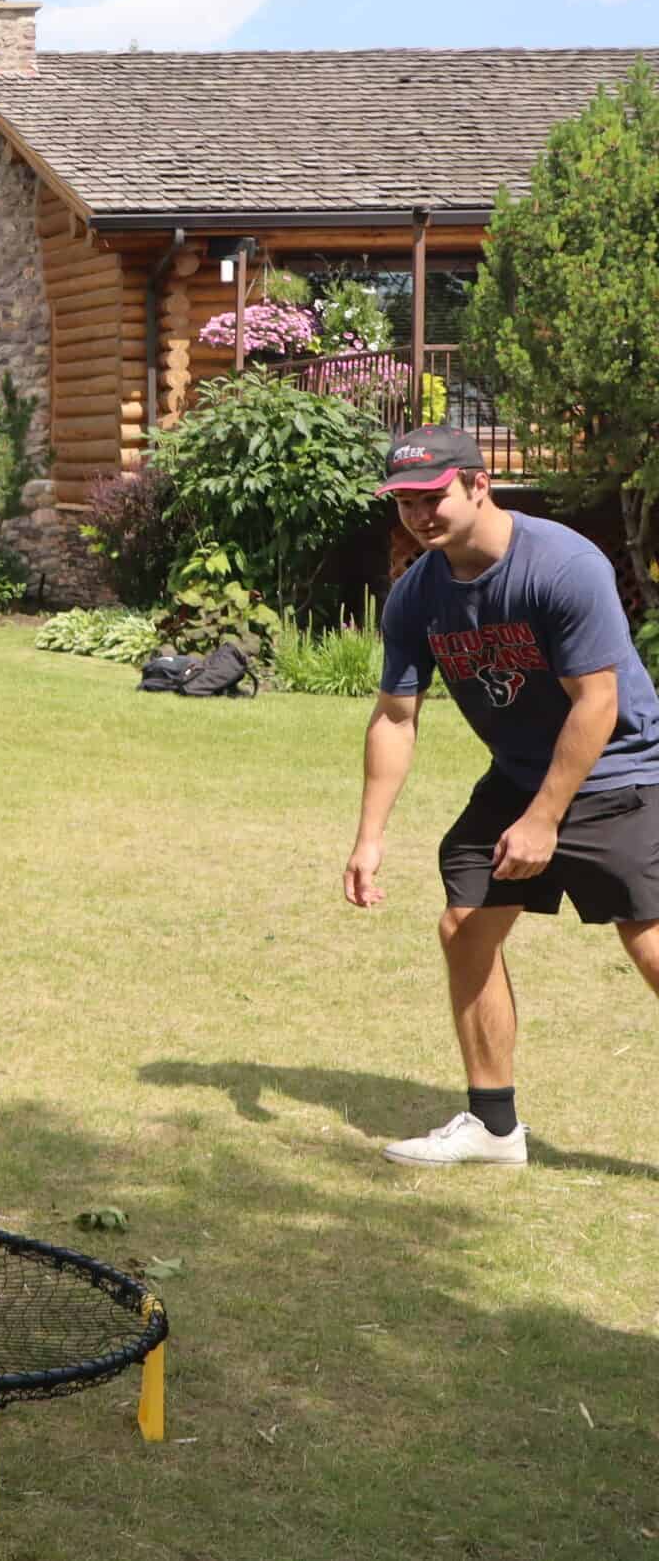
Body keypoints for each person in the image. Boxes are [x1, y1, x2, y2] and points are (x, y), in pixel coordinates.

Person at [346, 425, 659, 1166]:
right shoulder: (418, 594)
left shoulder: (561, 566)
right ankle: (493, 1126)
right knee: (466, 927)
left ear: (478, 485)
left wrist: (546, 820)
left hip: (621, 770)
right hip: (520, 774)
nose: (419, 515)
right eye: (405, 504)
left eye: (432, 497)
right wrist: (369, 837)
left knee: (649, 946)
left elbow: (598, 704)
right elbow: (396, 715)